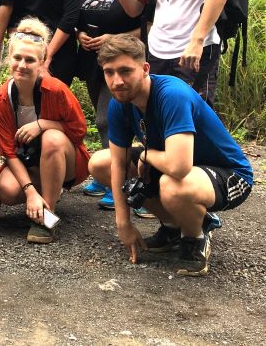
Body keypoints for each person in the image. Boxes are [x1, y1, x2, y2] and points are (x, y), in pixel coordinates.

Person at [88, 35, 252, 277]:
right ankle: (173, 227)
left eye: (125, 71)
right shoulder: (120, 103)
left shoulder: (171, 94)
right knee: (100, 163)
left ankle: (195, 237)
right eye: (109, 72)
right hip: (179, 167)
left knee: (172, 186)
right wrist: (123, 223)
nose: (117, 81)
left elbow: (178, 167)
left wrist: (146, 156)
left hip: (229, 174)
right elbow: (117, 164)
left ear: (145, 69)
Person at [0, 18, 90, 244]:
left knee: (52, 138)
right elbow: (8, 151)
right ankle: (42, 192)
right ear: (9, 58)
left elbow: (79, 130)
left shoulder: (55, 89)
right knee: (7, 190)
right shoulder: (1, 97)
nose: (22, 65)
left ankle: (47, 216)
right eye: (17, 58)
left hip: (67, 159)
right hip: (29, 160)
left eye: (30, 60)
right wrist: (29, 191)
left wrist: (43, 124)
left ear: (41, 62)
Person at [76, 0, 142, 207]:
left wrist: (114, 39)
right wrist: (79, 35)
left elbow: (145, 27)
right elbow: (77, 21)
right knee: (105, 117)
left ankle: (120, 181)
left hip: (121, 67)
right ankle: (107, 175)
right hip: (93, 64)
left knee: (106, 120)